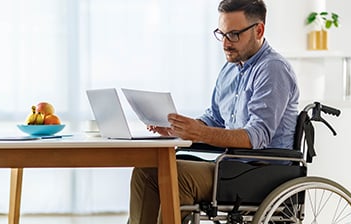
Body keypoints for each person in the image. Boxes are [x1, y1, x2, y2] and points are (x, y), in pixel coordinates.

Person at [128, 0, 299, 223]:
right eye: (222, 34)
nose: (226, 44)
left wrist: (199, 133)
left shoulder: (272, 69)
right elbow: (214, 119)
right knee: (146, 171)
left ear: (259, 30)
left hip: (259, 172)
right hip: (230, 166)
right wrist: (177, 130)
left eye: (234, 35)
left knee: (176, 177)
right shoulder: (230, 69)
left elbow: (256, 136)